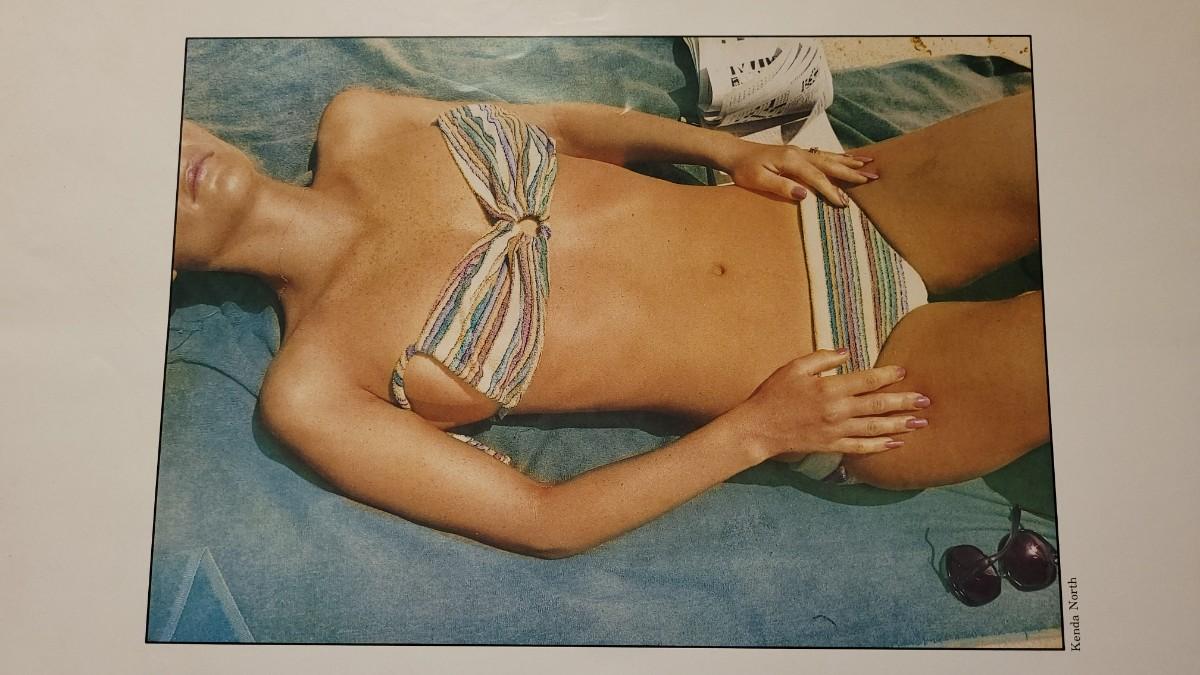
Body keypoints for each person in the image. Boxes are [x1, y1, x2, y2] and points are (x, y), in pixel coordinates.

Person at [173, 87, 1048, 558]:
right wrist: (759, 431)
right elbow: (543, 518)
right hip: (842, 378)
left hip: (832, 205)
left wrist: (727, 150)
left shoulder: (360, 118)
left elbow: (557, 125)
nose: (174, 163)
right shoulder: (314, 388)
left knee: (1081, 126)